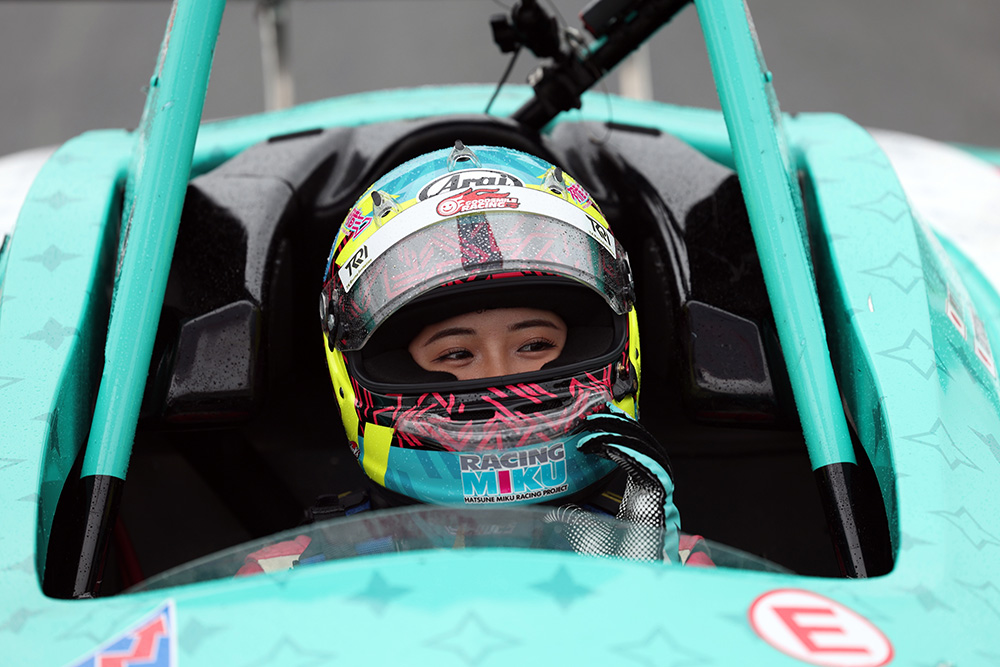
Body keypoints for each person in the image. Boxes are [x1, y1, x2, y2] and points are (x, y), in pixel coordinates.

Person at [238, 143, 711, 575]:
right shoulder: (286, 575)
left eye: (534, 345)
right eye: (457, 353)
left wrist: (654, 595)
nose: (499, 376)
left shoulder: (671, 561)